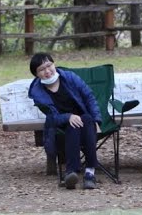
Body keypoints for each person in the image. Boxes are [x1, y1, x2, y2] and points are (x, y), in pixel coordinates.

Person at [27, 52, 102, 190]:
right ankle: (86, 174)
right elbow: (52, 117)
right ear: (36, 74)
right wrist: (68, 117)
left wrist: (97, 120)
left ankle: (74, 171)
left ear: (54, 64)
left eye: (49, 65)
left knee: (85, 119)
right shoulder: (37, 92)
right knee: (72, 125)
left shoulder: (69, 77)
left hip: (85, 119)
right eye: (42, 69)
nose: (47, 71)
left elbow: (89, 97)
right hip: (61, 124)